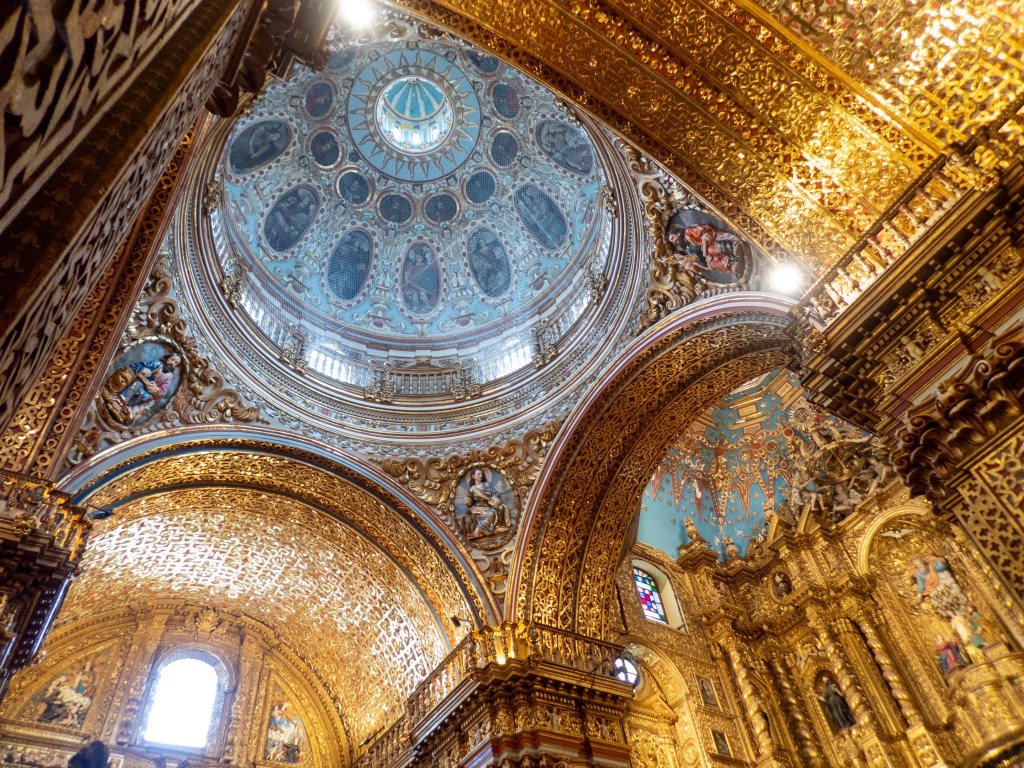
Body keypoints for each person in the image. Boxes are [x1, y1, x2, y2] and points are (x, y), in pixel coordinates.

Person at [462, 469, 511, 538]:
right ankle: (482, 529)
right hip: (479, 509)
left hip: (490, 505)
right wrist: (468, 501)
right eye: (478, 474)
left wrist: (495, 497)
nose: (481, 475)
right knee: (491, 513)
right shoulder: (472, 489)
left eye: (481, 474)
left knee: (501, 508)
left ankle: (497, 527)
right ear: (473, 476)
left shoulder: (487, 485)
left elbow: (495, 493)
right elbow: (470, 502)